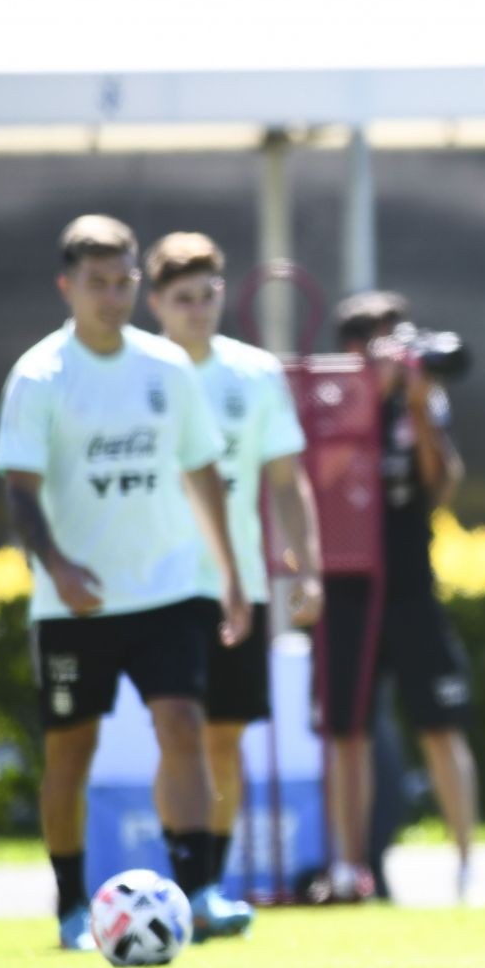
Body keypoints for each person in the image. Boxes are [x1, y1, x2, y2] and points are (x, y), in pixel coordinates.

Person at [0, 214, 252, 949]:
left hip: (167, 590)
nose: (112, 296)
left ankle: (198, 891)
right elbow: (19, 488)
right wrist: (59, 567)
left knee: (183, 727)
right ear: (67, 287)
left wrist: (229, 573)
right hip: (74, 605)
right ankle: (73, 904)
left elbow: (203, 468)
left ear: (139, 283)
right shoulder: (40, 376)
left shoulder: (167, 368)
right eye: (96, 283)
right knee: (70, 750)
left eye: (123, 281)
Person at [145, 231, 325, 931]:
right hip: (153, 588)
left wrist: (305, 566)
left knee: (222, 740)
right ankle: (178, 881)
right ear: (156, 302)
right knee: (177, 736)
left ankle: (206, 888)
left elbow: (287, 480)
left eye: (209, 294)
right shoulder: (138, 370)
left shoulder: (254, 374)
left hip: (237, 587)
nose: (198, 309)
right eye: (183, 298)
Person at [322, 291, 479, 902]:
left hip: (412, 585)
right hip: (347, 586)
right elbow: (324, 481)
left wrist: (414, 411)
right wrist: (368, 399)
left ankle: (465, 867)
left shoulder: (423, 401)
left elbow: (441, 486)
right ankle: (350, 867)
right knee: (347, 732)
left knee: (441, 725)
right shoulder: (331, 399)